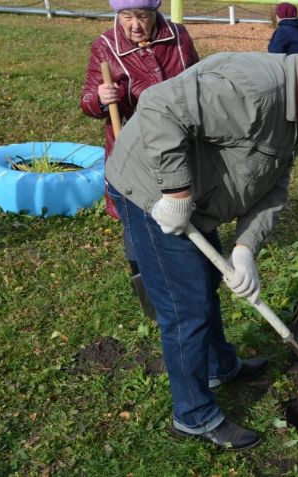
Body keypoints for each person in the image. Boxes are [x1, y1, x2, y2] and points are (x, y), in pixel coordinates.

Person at [105, 39, 298, 451]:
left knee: (205, 281)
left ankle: (217, 365)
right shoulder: (254, 91)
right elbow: (158, 106)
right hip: (150, 190)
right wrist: (175, 193)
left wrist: (244, 248)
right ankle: (193, 414)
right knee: (184, 306)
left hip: (198, 198)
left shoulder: (296, 112)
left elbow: (274, 185)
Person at [80, 0, 199, 318]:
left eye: (142, 17)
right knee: (135, 217)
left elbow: (196, 78)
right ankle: (146, 284)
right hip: (132, 147)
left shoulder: (177, 36)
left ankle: (189, 262)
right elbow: (88, 99)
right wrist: (100, 100)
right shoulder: (105, 46)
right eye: (127, 17)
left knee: (182, 201)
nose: (135, 25)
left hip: (178, 142)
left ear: (155, 14)